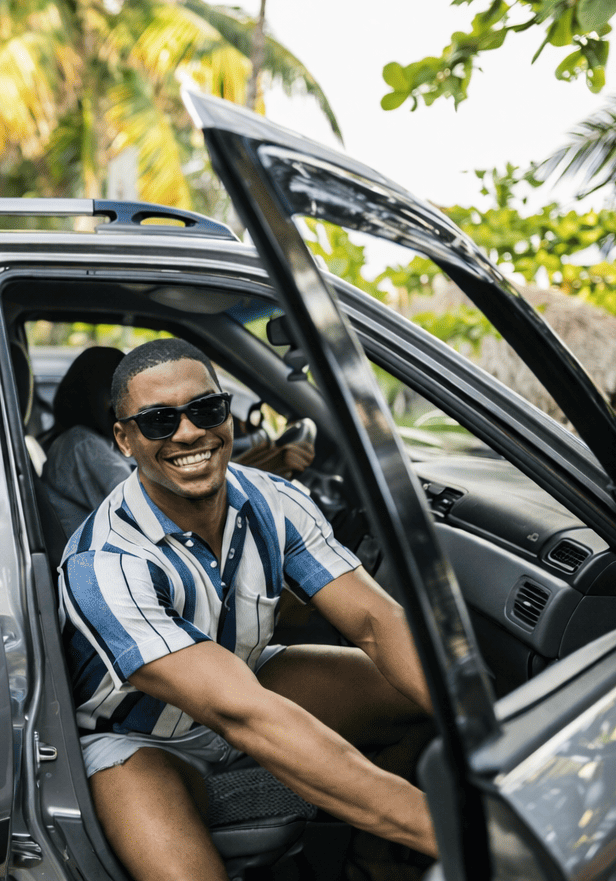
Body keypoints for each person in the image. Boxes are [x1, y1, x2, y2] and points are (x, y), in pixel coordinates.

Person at [59, 338, 436, 881]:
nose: (189, 432)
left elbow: (379, 623)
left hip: (249, 679)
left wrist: (494, 740)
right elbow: (241, 713)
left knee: (432, 689)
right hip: (138, 738)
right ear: (124, 439)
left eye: (205, 410)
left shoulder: (274, 500)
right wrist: (451, 829)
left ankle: (370, 857)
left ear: (227, 411)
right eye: (159, 421)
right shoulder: (105, 561)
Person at [43, 345, 316, 536]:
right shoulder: (81, 446)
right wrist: (267, 470)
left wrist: (262, 465)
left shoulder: (82, 445)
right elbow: (160, 509)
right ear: (100, 397)